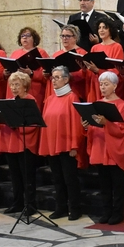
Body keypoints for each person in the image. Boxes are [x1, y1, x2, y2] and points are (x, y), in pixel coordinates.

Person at [83, 71, 124, 225]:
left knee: (117, 184)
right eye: (101, 84)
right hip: (100, 146)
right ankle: (106, 211)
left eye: (106, 84)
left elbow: (122, 129)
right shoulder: (97, 104)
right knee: (104, 184)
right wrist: (87, 126)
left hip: (113, 149)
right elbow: (93, 127)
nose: (102, 87)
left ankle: (118, 213)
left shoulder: (121, 105)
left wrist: (106, 123)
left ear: (115, 86)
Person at [40, 66, 85, 221]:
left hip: (67, 146)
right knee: (57, 178)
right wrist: (46, 144)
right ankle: (61, 208)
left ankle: (75, 209)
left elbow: (76, 124)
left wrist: (74, 146)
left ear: (66, 79)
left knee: (70, 179)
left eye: (57, 77)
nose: (54, 80)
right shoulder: (49, 99)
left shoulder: (72, 98)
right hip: (53, 144)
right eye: (53, 77)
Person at [0, 72, 39, 216]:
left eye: (17, 85)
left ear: (25, 86)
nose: (14, 88)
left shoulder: (30, 100)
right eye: (12, 85)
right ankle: (17, 203)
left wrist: (17, 125)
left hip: (24, 143)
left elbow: (34, 123)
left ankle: (30, 205)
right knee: (15, 176)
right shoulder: (9, 101)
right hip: (11, 143)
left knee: (27, 177)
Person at [5, 26, 50, 109]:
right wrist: (6, 72)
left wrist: (31, 73)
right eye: (22, 36)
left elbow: (46, 74)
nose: (24, 38)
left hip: (33, 89)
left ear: (34, 38)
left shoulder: (41, 52)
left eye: (28, 35)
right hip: (14, 89)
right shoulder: (15, 53)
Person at [84, 16, 124, 100]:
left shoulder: (117, 47)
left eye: (104, 28)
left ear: (110, 30)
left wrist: (98, 70)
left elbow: (117, 70)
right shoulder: (95, 47)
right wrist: (86, 67)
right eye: (99, 28)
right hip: (96, 83)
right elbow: (90, 70)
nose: (101, 30)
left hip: (109, 85)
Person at [51, 24, 89, 101]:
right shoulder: (56, 54)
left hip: (76, 91)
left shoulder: (82, 53)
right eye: (63, 36)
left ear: (75, 38)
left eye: (68, 36)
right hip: (59, 93)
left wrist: (70, 76)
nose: (64, 38)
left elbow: (87, 73)